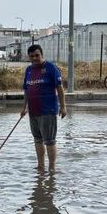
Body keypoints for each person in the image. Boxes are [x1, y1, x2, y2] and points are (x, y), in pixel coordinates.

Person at [20, 44, 67, 172]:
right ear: (29, 57)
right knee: (37, 140)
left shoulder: (51, 67)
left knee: (49, 141)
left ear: (42, 54)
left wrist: (63, 107)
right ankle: (40, 166)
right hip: (33, 111)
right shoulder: (29, 70)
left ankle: (52, 168)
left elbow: (59, 88)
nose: (35, 58)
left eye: (37, 55)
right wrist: (24, 108)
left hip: (48, 111)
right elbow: (27, 90)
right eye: (32, 56)